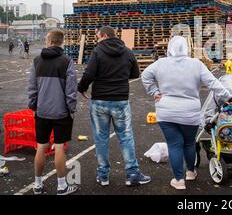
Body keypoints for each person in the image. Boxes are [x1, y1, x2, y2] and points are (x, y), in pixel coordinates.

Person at [141, 36, 231, 190]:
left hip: (166, 112)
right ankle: (190, 172)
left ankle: (178, 180)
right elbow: (213, 83)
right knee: (189, 143)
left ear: (169, 47)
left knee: (174, 145)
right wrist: (227, 97)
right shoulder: (196, 64)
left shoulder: (160, 63)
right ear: (186, 48)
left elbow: (145, 76)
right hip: (190, 112)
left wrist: (154, 91)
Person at [78, 26, 151, 187]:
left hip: (100, 101)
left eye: (97, 36)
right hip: (120, 100)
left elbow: (89, 74)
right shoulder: (127, 51)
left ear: (104, 35)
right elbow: (135, 74)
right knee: (126, 137)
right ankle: (132, 174)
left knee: (101, 138)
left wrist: (81, 87)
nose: (97, 39)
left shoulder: (97, 52)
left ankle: (103, 175)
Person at [28, 29, 78, 195]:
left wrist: (34, 106)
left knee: (41, 147)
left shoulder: (37, 61)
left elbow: (32, 88)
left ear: (49, 41)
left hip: (42, 112)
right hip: (61, 112)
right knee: (59, 148)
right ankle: (62, 186)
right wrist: (71, 109)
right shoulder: (67, 61)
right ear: (61, 42)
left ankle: (37, 184)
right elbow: (71, 90)